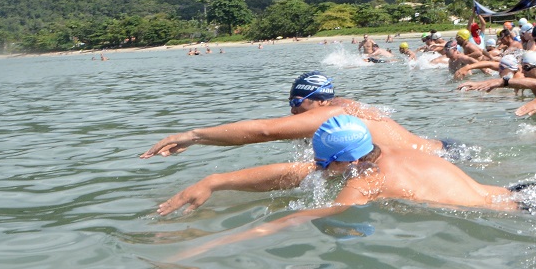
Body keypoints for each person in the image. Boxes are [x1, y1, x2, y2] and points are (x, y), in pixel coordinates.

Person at [155, 115, 522, 259]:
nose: (317, 169)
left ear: (346, 162)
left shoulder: (366, 183)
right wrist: (216, 181)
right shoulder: (399, 152)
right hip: (523, 195)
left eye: (323, 164)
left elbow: (292, 221)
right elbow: (297, 172)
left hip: (510, 221)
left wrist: (207, 246)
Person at [139, 72, 446, 158]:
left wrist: (191, 136)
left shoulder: (331, 114)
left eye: (300, 100)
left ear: (321, 102)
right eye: (290, 100)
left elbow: (265, 131)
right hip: (443, 149)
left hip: (443, 157)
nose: (293, 108)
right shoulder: (341, 107)